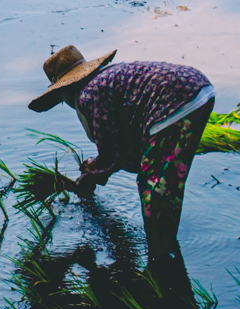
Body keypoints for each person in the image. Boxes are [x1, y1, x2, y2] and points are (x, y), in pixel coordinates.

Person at [28, 45, 215, 257]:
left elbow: (111, 151)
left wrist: (93, 171)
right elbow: (128, 150)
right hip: (197, 90)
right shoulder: (105, 81)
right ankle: (166, 250)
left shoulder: (88, 94)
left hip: (174, 102)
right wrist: (99, 171)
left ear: (65, 90)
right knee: (165, 183)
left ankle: (160, 256)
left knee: (153, 187)